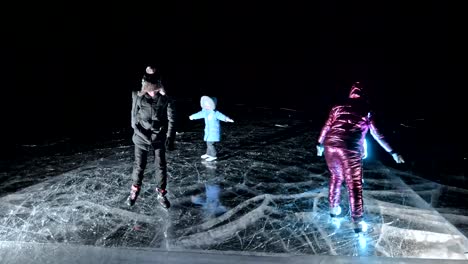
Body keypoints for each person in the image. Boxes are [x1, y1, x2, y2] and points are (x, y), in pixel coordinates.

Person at [316, 82, 404, 233]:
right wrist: (393, 152)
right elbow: (377, 135)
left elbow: (326, 126)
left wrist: (320, 144)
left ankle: (333, 209)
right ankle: (357, 221)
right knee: (354, 184)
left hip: (330, 146)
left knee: (336, 177)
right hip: (350, 148)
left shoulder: (338, 107)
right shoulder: (366, 110)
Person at [127, 66, 176, 209]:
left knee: (161, 166)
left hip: (158, 137)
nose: (152, 92)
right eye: (149, 88)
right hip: (141, 137)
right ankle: (134, 190)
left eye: (154, 89)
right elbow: (133, 121)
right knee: (139, 165)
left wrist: (170, 138)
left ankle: (161, 193)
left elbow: (172, 119)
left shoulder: (165, 99)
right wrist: (143, 135)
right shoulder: (137, 96)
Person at [189, 96, 234, 161]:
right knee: (208, 143)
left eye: (208, 105)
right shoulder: (205, 112)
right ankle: (208, 153)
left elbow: (221, 116)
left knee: (210, 143)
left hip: (214, 132)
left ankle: (213, 155)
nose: (207, 107)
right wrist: (192, 117)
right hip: (208, 131)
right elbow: (198, 115)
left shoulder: (215, 113)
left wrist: (227, 119)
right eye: (206, 105)